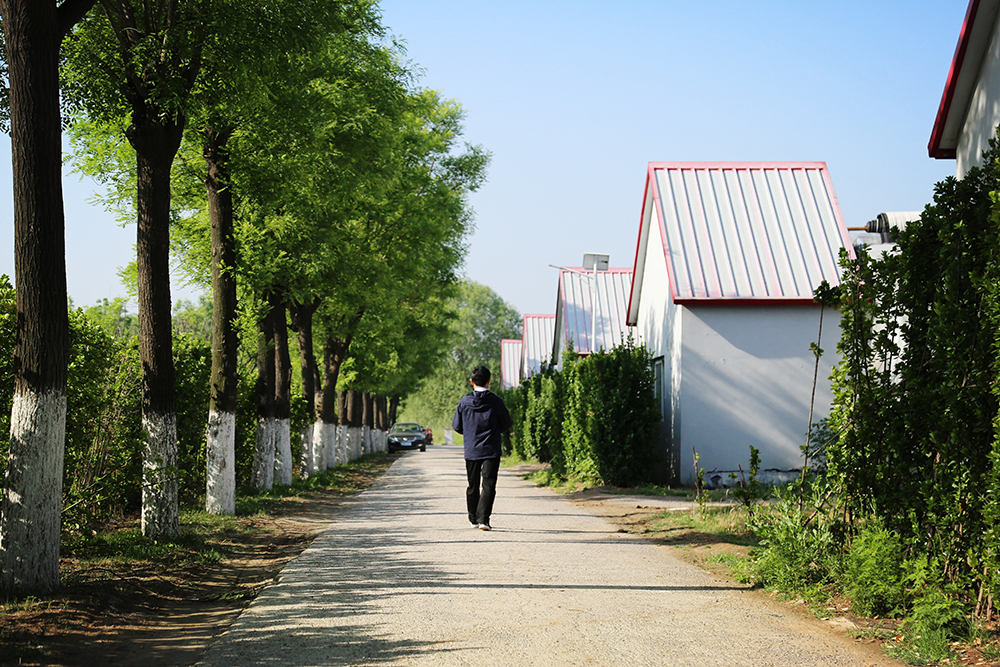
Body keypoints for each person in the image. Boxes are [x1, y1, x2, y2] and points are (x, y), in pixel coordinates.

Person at [451, 365, 512, 531]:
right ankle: (484, 520)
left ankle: (473, 519)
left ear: (471, 381)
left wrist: (470, 432)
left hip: (471, 449)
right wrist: (494, 431)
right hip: (491, 449)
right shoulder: (496, 401)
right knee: (488, 485)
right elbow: (506, 424)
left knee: (473, 485)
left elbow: (457, 426)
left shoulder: (464, 402)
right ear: (489, 381)